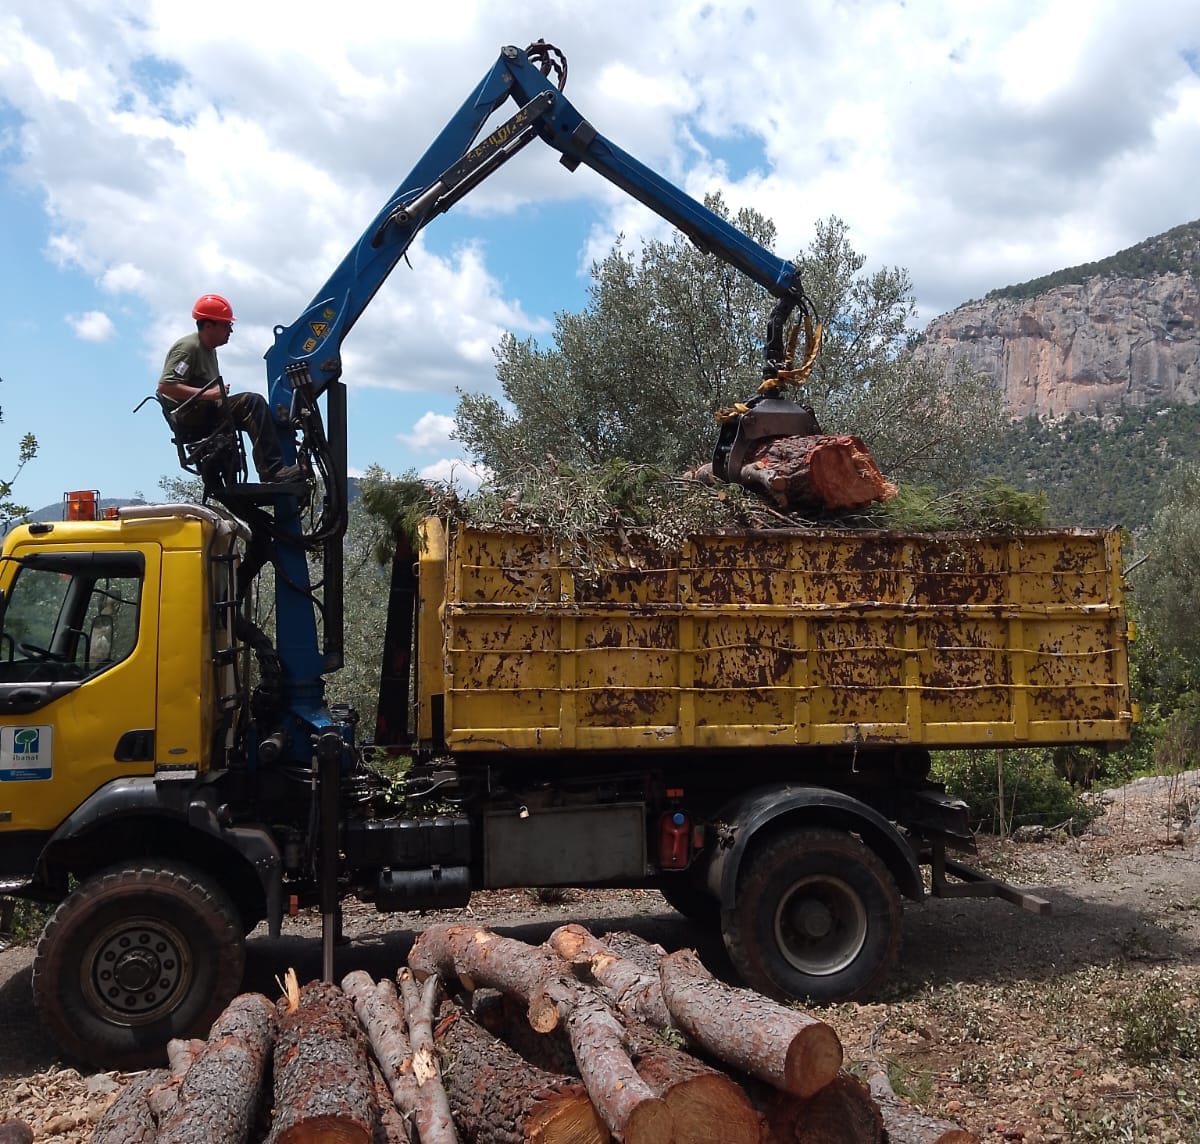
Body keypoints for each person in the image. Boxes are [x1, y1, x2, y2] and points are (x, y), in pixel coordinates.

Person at [157, 293, 302, 484]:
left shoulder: (209, 350)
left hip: (204, 411)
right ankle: (273, 472)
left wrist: (274, 432)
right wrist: (209, 394)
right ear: (209, 326)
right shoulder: (188, 347)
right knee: (252, 403)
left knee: (260, 412)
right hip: (190, 417)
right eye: (226, 325)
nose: (230, 331)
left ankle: (275, 461)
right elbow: (166, 386)